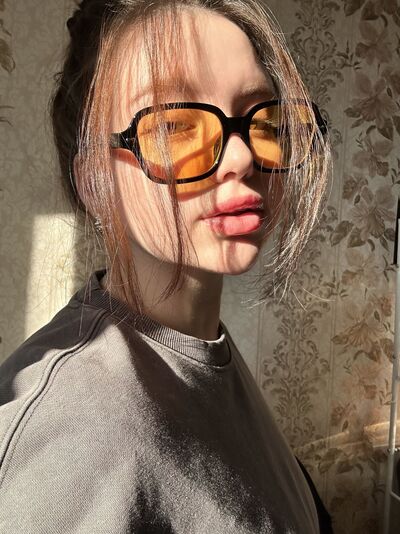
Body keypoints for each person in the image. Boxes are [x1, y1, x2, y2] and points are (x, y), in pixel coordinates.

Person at [0, 0, 333, 532]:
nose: (242, 156)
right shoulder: (67, 436)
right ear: (92, 177)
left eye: (262, 117)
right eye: (175, 124)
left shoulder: (202, 351)